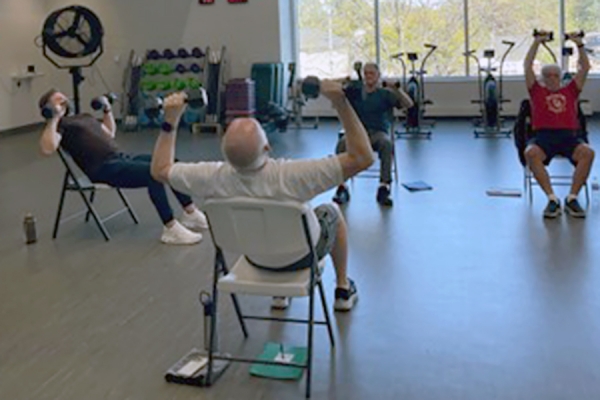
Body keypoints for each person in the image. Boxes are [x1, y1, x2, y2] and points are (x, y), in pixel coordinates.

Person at [150, 82, 375, 312]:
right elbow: (363, 158)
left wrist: (170, 121)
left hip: (253, 257)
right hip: (300, 257)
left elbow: (159, 170)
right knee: (332, 211)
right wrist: (341, 103)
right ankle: (343, 289)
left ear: (224, 149)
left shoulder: (210, 177)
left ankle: (279, 294)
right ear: (267, 147)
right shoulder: (293, 176)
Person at [38, 89, 208, 244]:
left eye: (63, 96)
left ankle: (190, 213)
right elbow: (48, 148)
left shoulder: (84, 117)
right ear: (49, 108)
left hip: (121, 158)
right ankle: (170, 228)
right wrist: (54, 118)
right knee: (153, 174)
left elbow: (109, 132)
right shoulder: (60, 126)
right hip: (104, 169)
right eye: (58, 100)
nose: (64, 99)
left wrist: (107, 110)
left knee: (170, 162)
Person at [524, 31, 595, 218]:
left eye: (556, 75)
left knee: (588, 153)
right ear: (543, 78)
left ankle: (572, 198)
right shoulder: (537, 91)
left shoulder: (571, 90)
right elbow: (527, 65)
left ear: (561, 77)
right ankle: (552, 199)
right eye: (549, 75)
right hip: (544, 137)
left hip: (569, 137)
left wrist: (579, 44)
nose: (553, 78)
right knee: (530, 153)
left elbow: (585, 67)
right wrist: (537, 42)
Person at [333, 62, 414, 207]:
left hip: (377, 133)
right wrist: (344, 81)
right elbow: (333, 92)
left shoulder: (385, 94)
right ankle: (342, 187)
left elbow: (409, 104)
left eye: (372, 73)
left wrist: (396, 89)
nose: (368, 76)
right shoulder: (356, 91)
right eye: (366, 73)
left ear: (378, 76)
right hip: (357, 134)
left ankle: (383, 187)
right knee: (342, 143)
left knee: (386, 143)